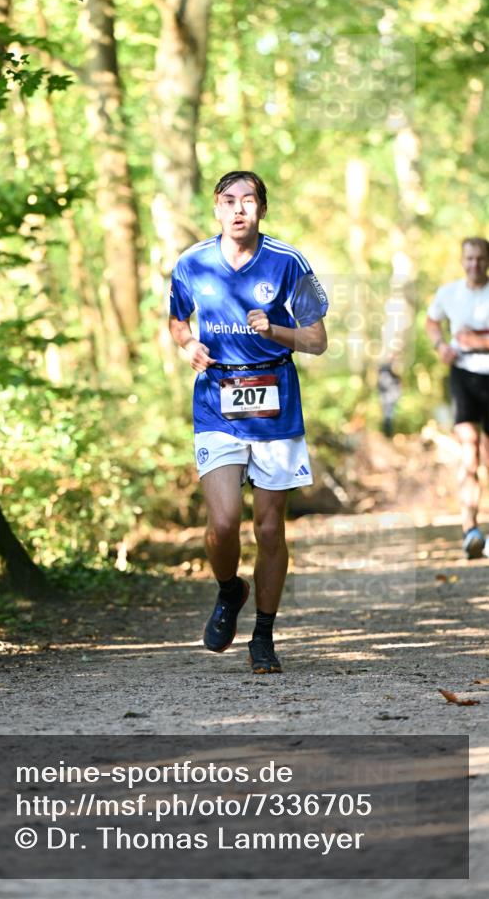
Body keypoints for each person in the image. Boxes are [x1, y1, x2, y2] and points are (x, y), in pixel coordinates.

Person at [169, 171, 329, 674]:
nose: (239, 209)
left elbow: (317, 339)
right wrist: (188, 344)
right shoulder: (192, 262)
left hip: (274, 401)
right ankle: (227, 590)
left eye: (249, 200)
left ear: (261, 208)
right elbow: (177, 319)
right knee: (220, 525)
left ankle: (264, 634)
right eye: (229, 201)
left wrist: (276, 328)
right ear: (217, 208)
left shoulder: (288, 261)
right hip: (217, 398)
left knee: (269, 528)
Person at [425, 237, 489, 559]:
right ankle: (470, 530)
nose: (475, 264)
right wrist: (441, 346)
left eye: (480, 259)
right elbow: (431, 321)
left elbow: (471, 337)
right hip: (463, 377)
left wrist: (473, 339)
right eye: (469, 259)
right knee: (469, 452)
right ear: (462, 260)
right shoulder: (448, 293)